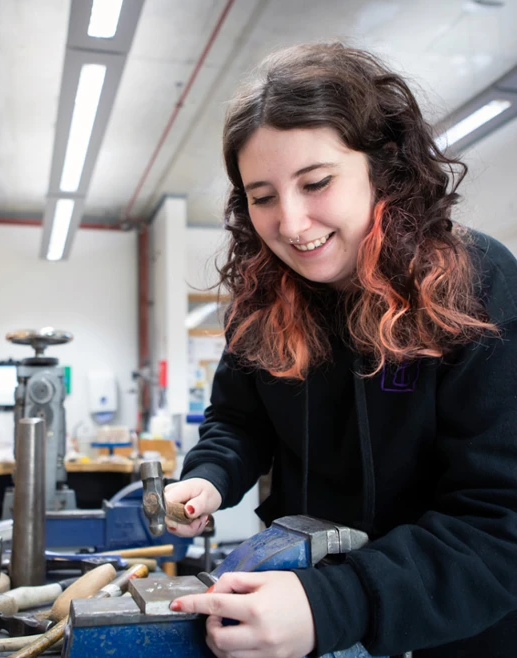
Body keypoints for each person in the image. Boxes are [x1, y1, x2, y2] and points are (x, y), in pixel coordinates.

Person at [164, 41, 517, 658]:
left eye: (317, 182)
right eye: (263, 196)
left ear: (383, 164)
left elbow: (500, 522)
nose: (293, 225)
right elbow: (239, 420)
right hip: (308, 616)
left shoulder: (477, 283)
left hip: (453, 632)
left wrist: (337, 602)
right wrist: (209, 478)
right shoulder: (263, 300)